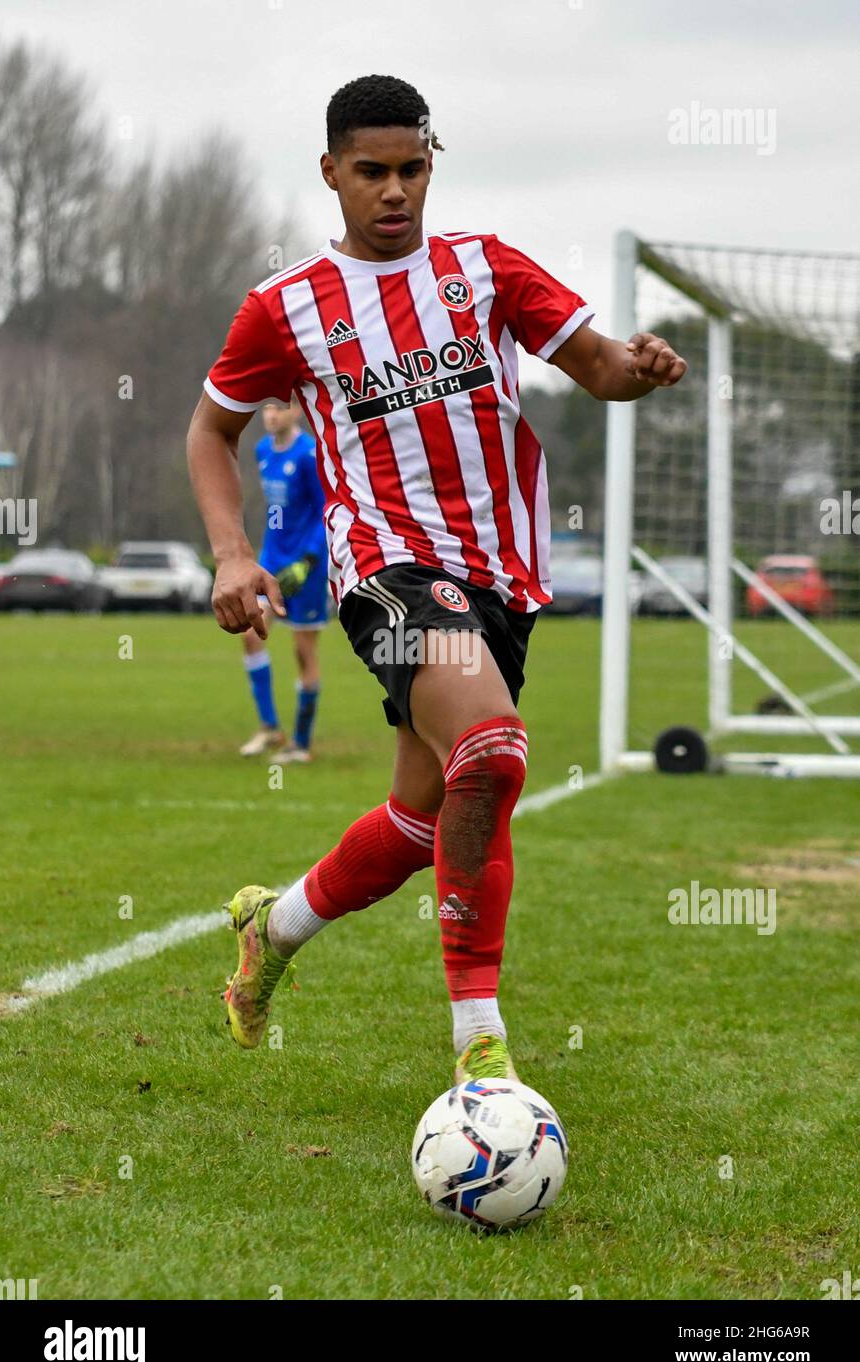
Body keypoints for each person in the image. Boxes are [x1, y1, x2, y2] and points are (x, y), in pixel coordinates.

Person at [186, 74, 687, 1083]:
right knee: (494, 753)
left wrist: (634, 365)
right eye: (370, 172)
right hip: (385, 573)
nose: (394, 191)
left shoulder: (483, 267)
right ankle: (479, 1047)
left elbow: (592, 368)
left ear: (431, 162)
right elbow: (210, 430)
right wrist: (232, 551)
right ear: (329, 173)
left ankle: (270, 927)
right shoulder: (284, 308)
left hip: (498, 582)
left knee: (425, 817)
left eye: (413, 168)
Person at [238, 399, 327, 762]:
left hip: (306, 564)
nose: (271, 415)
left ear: (297, 412)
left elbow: (326, 508)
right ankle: (270, 727)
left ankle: (301, 743)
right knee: (249, 633)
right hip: (272, 560)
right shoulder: (262, 450)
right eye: (267, 409)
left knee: (303, 652)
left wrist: (308, 559)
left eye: (280, 407)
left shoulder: (309, 454)